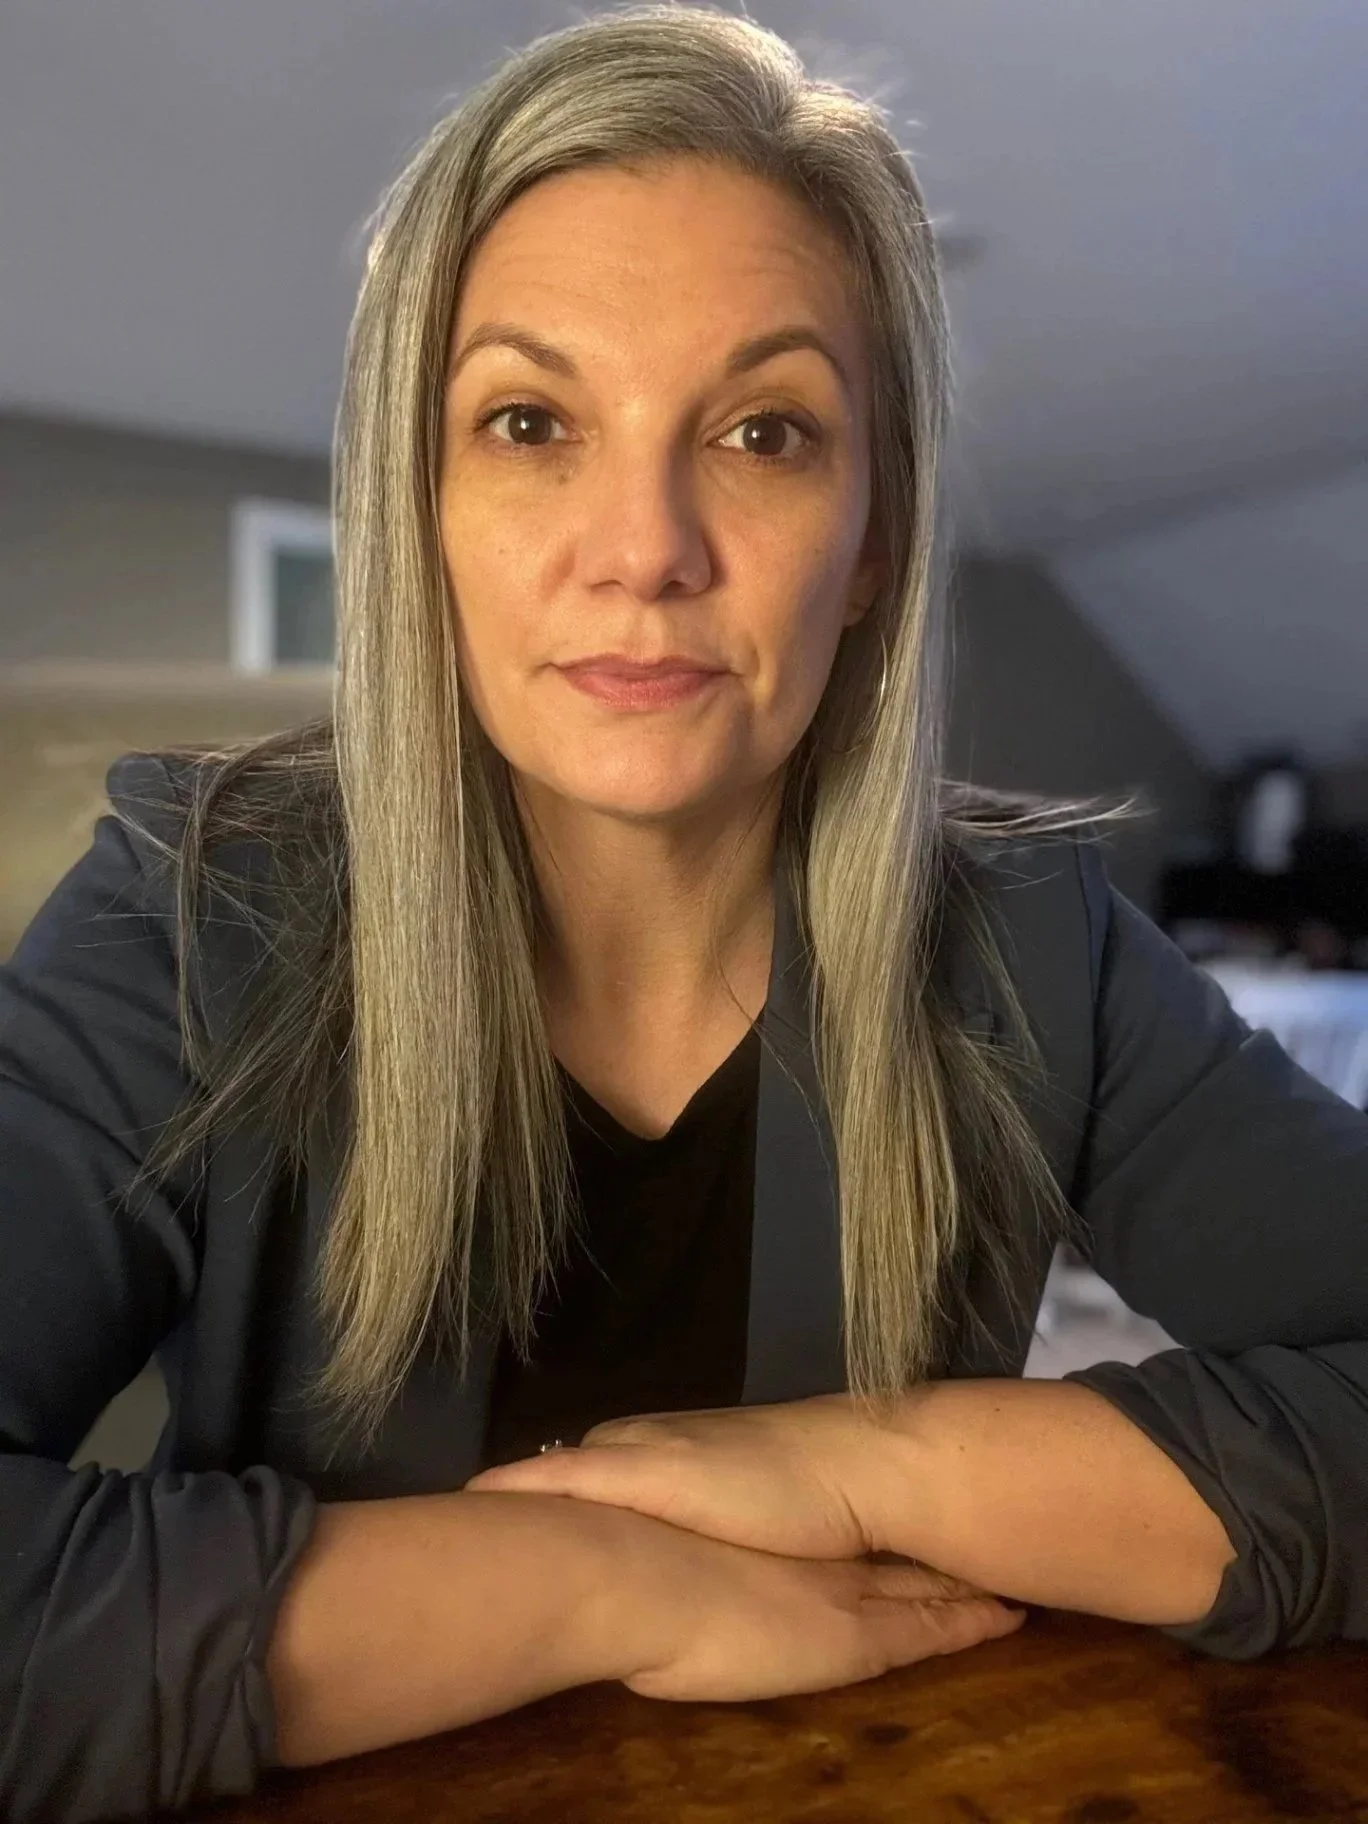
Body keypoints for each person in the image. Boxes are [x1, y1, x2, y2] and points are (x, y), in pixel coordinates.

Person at [2, 7, 1365, 1820]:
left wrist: (869, 1470)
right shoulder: (188, 915)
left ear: (876, 534)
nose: (642, 545)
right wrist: (601, 1579)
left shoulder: (1040, 943)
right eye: (528, 419)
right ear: (421, 507)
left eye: (761, 430)